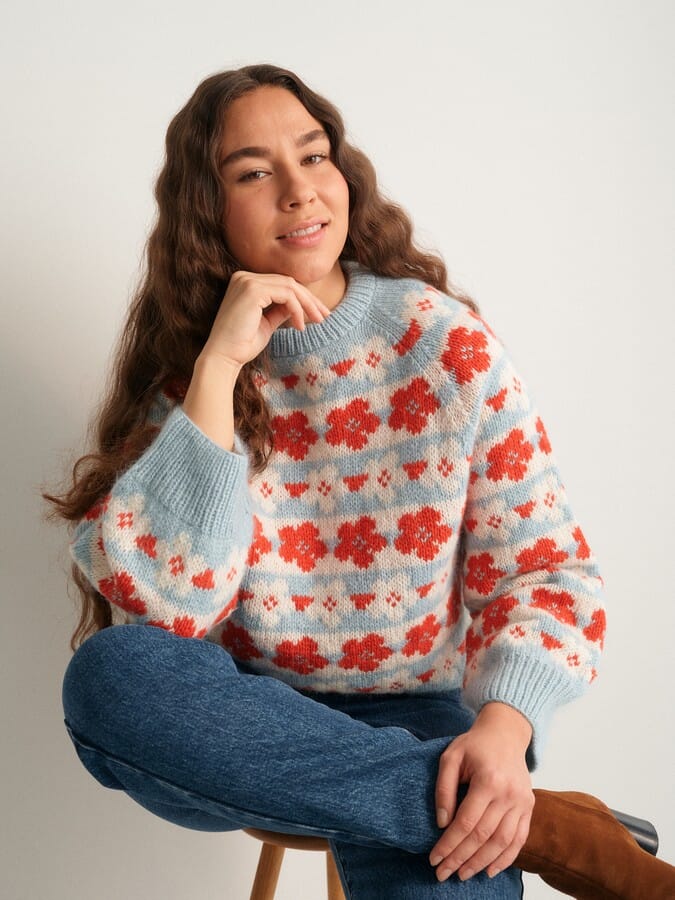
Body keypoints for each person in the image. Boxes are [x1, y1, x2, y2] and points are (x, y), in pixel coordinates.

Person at [46, 63, 674, 899]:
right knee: (110, 677)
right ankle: (550, 831)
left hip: (418, 716)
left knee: (456, 810)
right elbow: (166, 610)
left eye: (313, 157)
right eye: (253, 173)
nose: (298, 190)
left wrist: (503, 726)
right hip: (241, 725)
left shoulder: (441, 345)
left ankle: (463, 800)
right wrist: (219, 367)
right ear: (207, 210)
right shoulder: (191, 377)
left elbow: (544, 569)